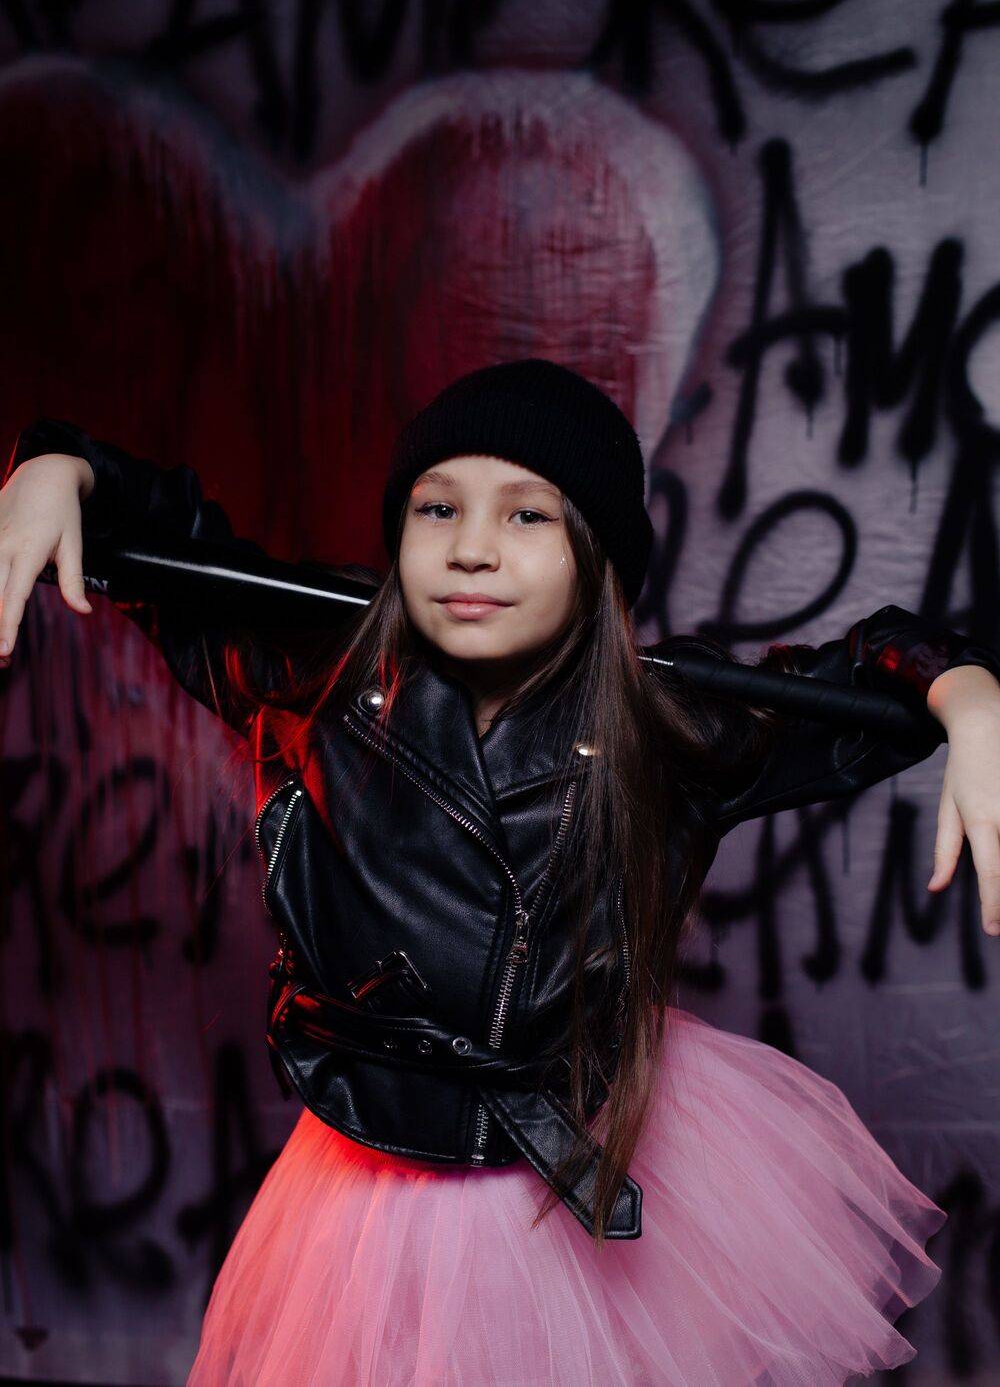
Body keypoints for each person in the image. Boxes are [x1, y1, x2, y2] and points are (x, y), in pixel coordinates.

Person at [2, 358, 1000, 1386]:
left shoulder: (669, 730)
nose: (471, 547)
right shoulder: (314, 679)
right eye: (438, 508)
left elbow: (879, 670)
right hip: (364, 1195)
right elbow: (161, 546)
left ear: (597, 555)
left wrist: (965, 694)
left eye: (527, 516)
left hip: (562, 1169)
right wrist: (60, 466)